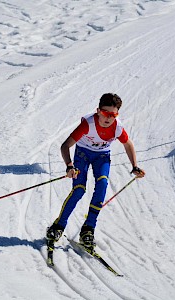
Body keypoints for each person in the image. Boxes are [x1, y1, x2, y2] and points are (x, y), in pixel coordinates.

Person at [46, 93, 145, 252]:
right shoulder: (88, 124)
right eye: (105, 113)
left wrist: (134, 166)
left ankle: (88, 230)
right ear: (98, 111)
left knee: (102, 185)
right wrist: (69, 166)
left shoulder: (117, 127)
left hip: (102, 156)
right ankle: (59, 225)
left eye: (113, 115)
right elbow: (65, 146)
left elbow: (128, 144)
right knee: (79, 190)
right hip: (83, 154)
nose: (108, 118)